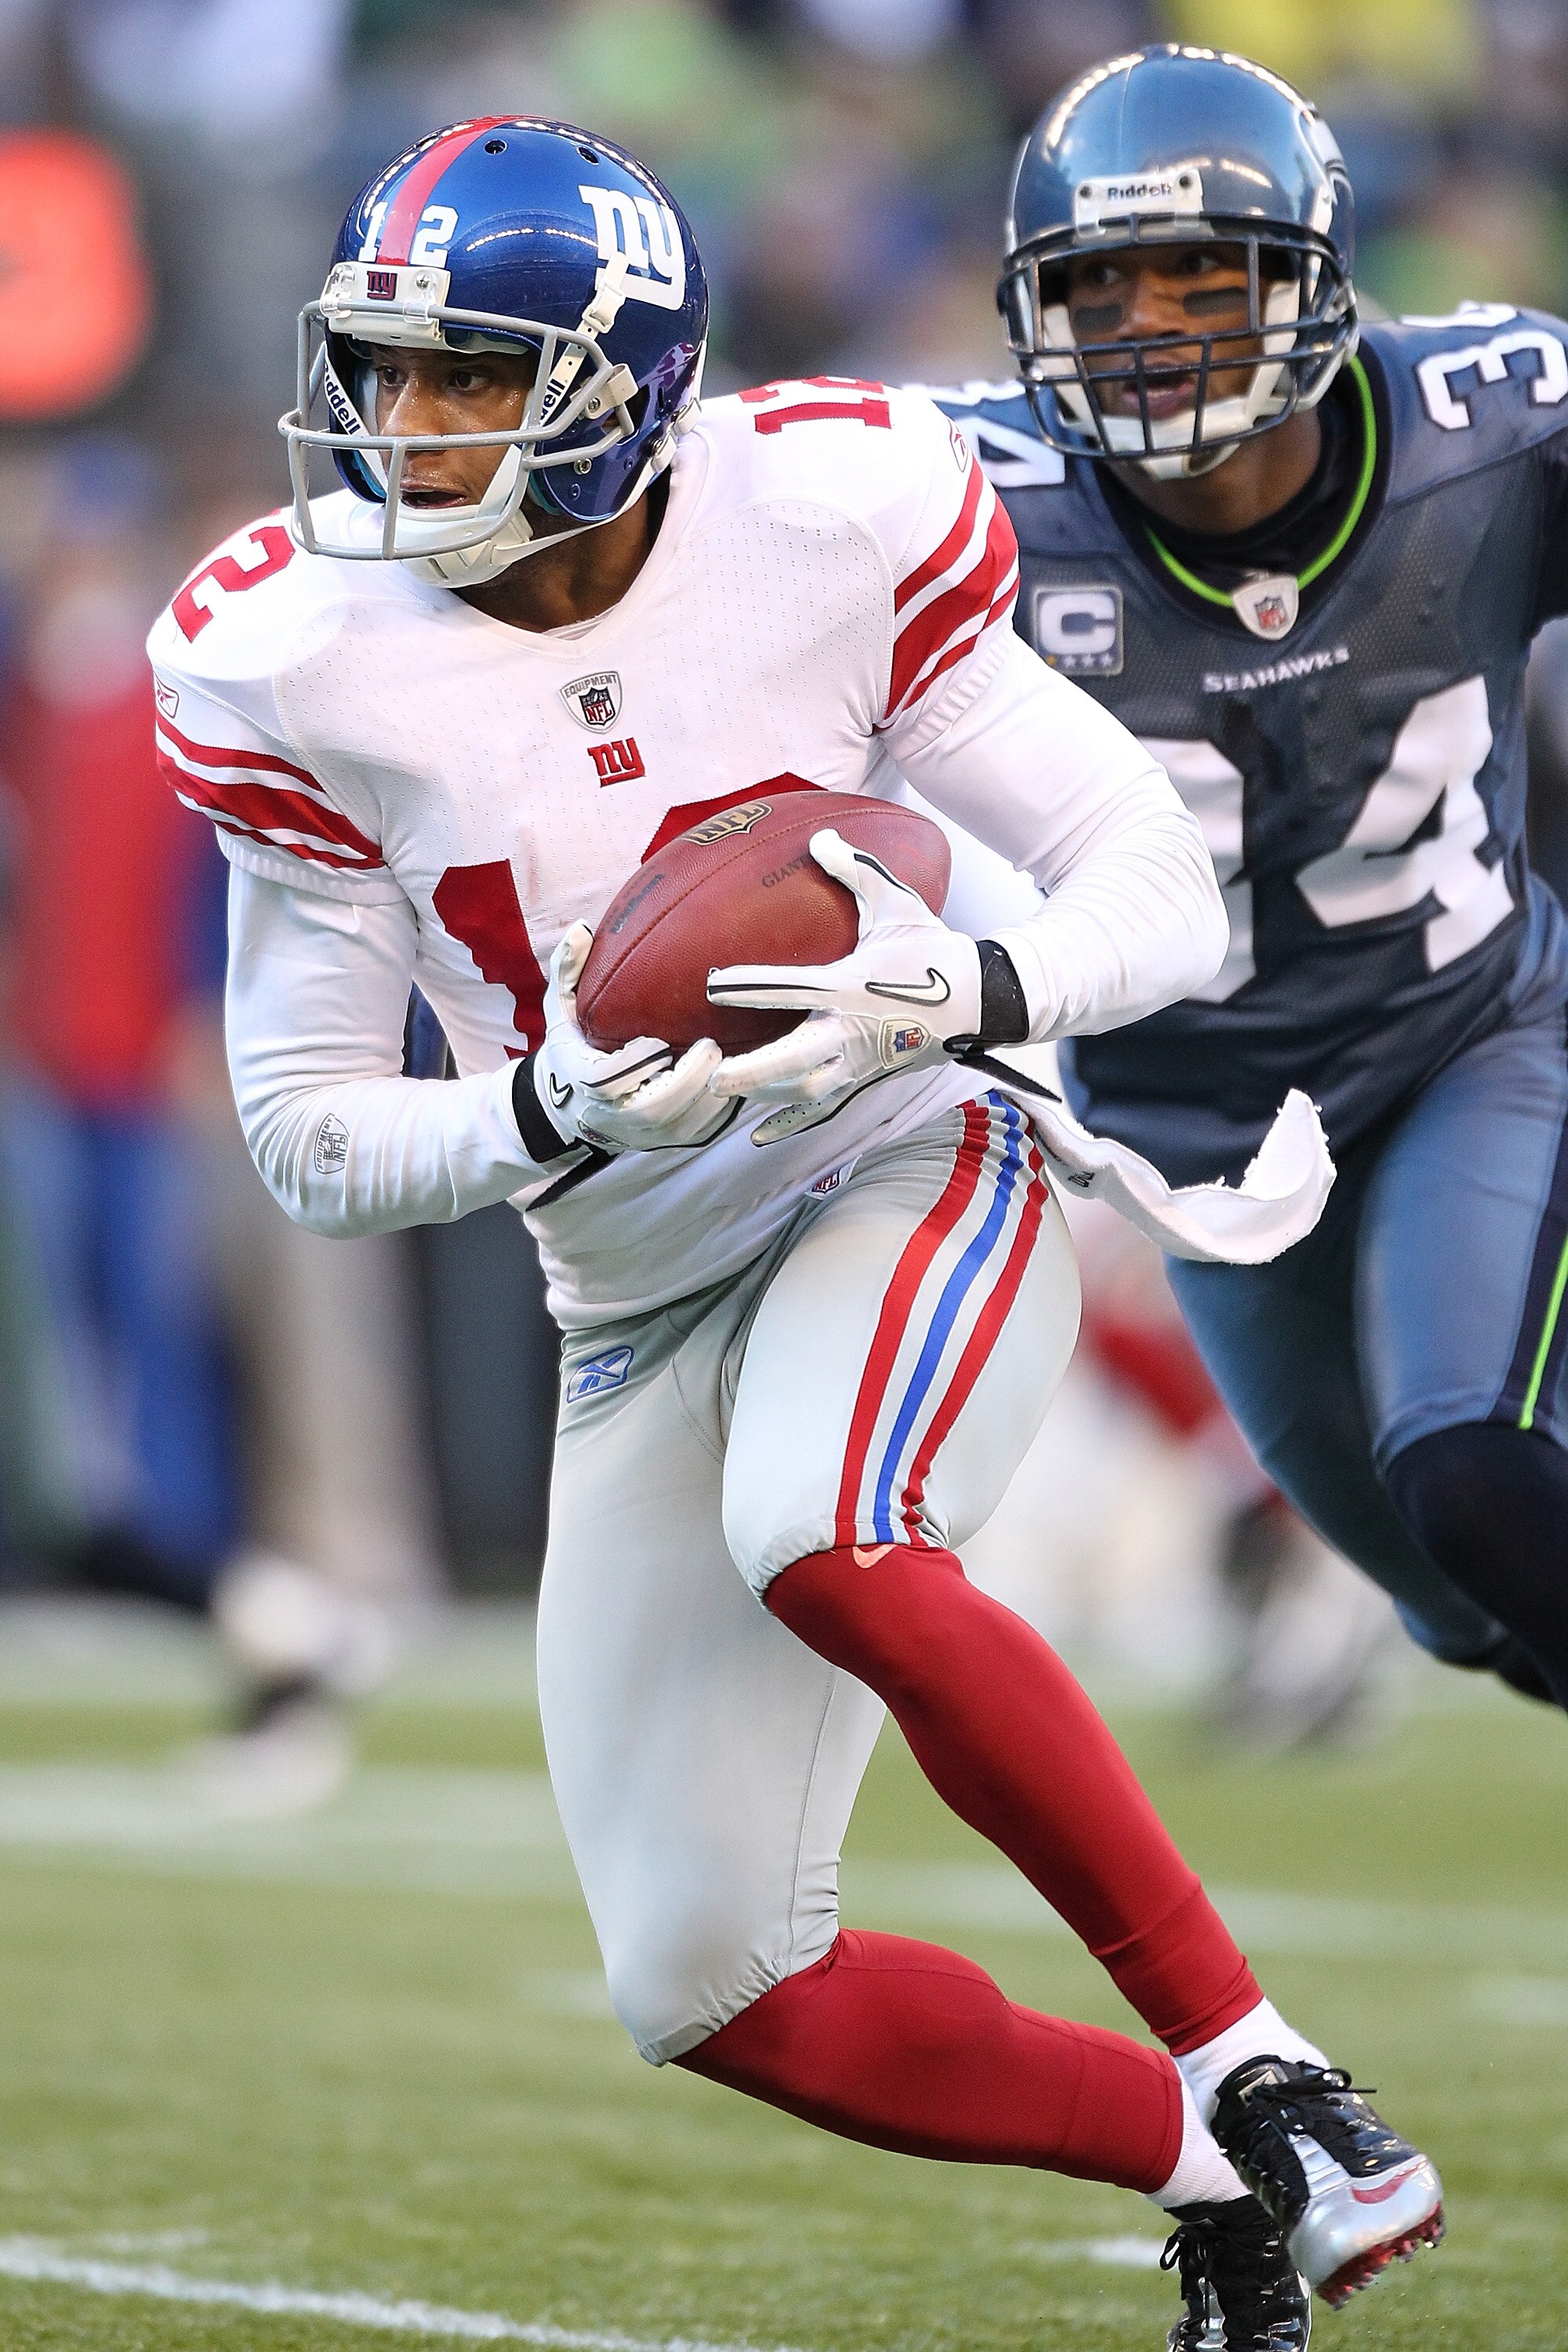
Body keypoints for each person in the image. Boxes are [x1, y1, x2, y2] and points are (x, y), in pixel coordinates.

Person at [147, 118, 1441, 2349]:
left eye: (470, 375)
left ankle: (1272, 2065)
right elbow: (306, 1132)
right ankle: (1203, 2164)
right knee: (711, 1978)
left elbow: (1144, 868)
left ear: (631, 386)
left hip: (907, 1140)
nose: (404, 422)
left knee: (825, 1532)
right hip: (629, 1271)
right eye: (388, 367)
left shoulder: (830, 513)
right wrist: (538, 1107)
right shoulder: (289, 658)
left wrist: (970, 986)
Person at [930, 42, 1568, 1712]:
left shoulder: (1486, 436)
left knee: (1477, 1467)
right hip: (1193, 1143)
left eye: (1203, 274)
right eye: (1102, 285)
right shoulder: (951, 508)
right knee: (1463, 1604)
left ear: (1312, 276)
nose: (1152, 325)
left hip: (1462, 1039)